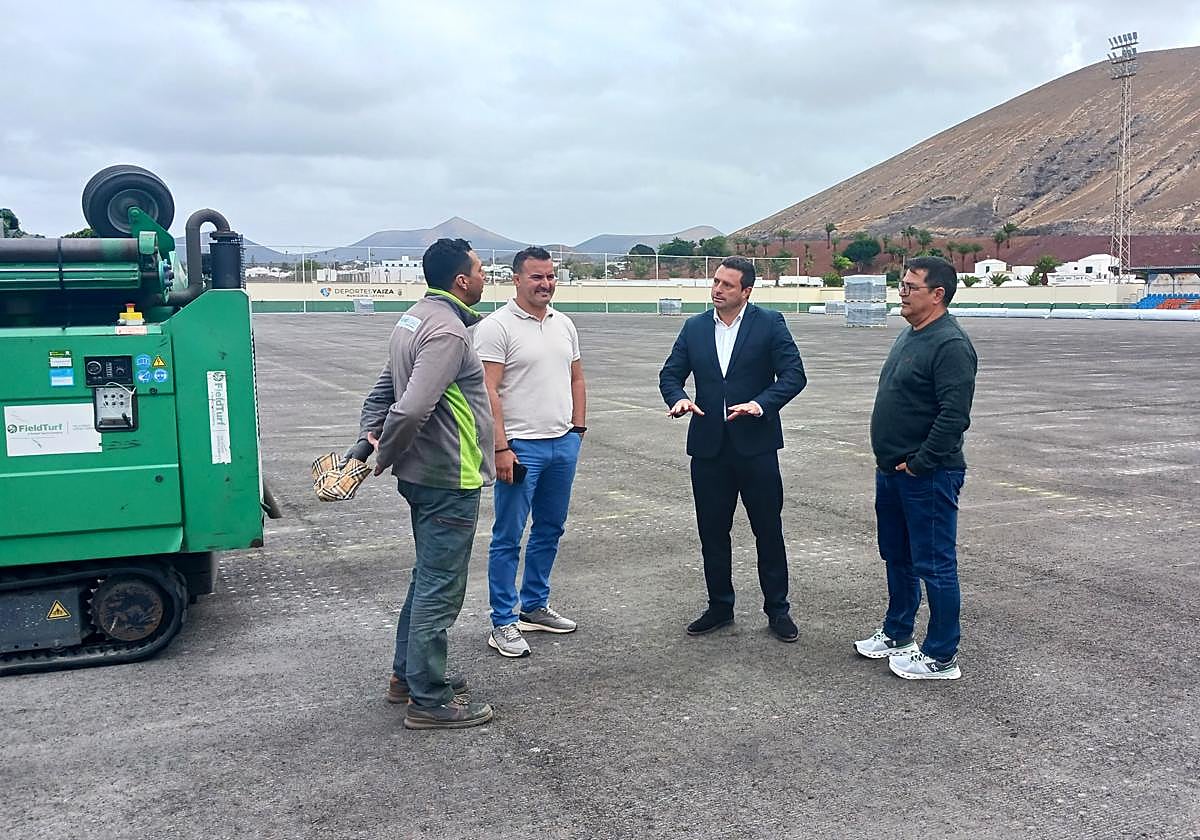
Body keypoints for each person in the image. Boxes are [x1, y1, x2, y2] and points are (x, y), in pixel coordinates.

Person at [357, 237, 497, 728]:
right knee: (441, 586)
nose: (484, 278)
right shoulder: (449, 334)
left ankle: (408, 675)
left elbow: (383, 387)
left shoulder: (413, 318)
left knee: (426, 577)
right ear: (461, 280)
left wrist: (365, 440)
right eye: (480, 271)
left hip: (424, 474)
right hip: (447, 475)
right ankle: (428, 699)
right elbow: (413, 405)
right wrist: (381, 454)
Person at [658, 256, 807, 642]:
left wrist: (760, 404)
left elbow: (794, 375)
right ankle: (720, 606)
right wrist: (678, 398)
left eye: (727, 285)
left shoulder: (769, 324)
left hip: (756, 447)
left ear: (746, 291)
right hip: (709, 449)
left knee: (768, 530)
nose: (717, 289)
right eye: (716, 282)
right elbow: (670, 374)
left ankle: (778, 610)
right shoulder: (694, 328)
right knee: (712, 531)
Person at [855, 255, 977, 681]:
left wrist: (922, 463)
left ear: (937, 294)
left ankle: (942, 655)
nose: (901, 293)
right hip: (891, 471)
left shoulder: (950, 345)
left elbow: (954, 415)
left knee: (935, 564)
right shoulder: (912, 335)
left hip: (927, 474)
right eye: (901, 285)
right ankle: (898, 632)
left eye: (910, 287)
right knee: (898, 556)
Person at [473, 246, 587, 658]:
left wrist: (577, 429)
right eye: (537, 277)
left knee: (550, 529)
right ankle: (503, 620)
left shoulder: (564, 324)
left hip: (562, 444)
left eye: (551, 276)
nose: (546, 284)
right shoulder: (496, 327)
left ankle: (534, 606)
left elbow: (576, 377)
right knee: (507, 536)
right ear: (516, 279)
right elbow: (488, 391)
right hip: (520, 449)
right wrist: (501, 447)